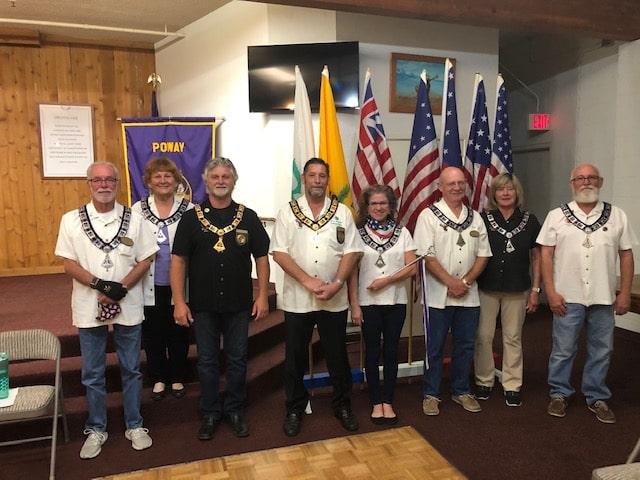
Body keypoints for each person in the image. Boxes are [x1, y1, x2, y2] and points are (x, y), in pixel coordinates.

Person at [55, 161, 159, 459]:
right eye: (97, 180)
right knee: (92, 371)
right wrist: (101, 284)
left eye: (109, 180)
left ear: (117, 183)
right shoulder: (71, 220)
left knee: (130, 367)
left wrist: (121, 287)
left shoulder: (135, 219)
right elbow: (68, 263)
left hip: (128, 300)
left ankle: (134, 425)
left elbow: (145, 259)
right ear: (89, 184)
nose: (103, 185)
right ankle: (96, 428)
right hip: (90, 301)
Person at [170, 157, 270, 440]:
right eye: (215, 176)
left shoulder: (248, 216)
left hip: (239, 303)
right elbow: (178, 261)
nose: (221, 181)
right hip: (203, 305)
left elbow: (262, 258)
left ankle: (236, 410)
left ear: (234, 181)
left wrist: (262, 295)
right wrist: (179, 300)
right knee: (207, 360)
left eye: (226, 176)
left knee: (238, 359)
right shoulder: (191, 218)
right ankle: (211, 413)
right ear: (206, 180)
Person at [537, 163, 636, 424]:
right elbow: (545, 254)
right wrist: (550, 292)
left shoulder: (617, 215)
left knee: (602, 350)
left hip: (604, 297)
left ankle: (596, 395)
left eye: (591, 177)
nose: (586, 182)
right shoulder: (556, 216)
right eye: (580, 178)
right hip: (567, 297)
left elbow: (626, 254)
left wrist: (624, 292)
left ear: (600, 182)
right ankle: (559, 393)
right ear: (572, 184)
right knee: (563, 349)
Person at [270, 157, 362, 437]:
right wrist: (307, 280)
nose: (318, 180)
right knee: (295, 357)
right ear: (304, 180)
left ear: (328, 179)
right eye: (312, 175)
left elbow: (352, 252)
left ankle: (342, 405)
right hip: (298, 299)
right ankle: (295, 408)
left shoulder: (343, 212)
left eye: (322, 175)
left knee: (337, 356)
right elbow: (280, 252)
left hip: (333, 298)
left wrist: (336, 283)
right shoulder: (288, 211)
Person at [413, 166, 491, 416]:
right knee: (434, 347)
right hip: (438, 296)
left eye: (460, 183)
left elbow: (483, 255)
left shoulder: (475, 217)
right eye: (451, 184)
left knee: (465, 346)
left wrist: (465, 282)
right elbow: (427, 255)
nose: (457, 187)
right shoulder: (428, 216)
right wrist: (451, 282)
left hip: (469, 295)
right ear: (440, 186)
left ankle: (460, 390)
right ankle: (431, 394)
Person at [347, 185, 417, 425]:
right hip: (368, 303)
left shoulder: (403, 232)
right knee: (373, 351)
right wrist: (354, 306)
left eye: (383, 203)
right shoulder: (356, 234)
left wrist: (387, 280)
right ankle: (376, 401)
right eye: (374, 204)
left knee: (391, 351)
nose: (378, 208)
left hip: (396, 301)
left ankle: (388, 400)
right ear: (366, 207)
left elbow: (412, 267)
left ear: (391, 206)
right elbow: (352, 273)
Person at [473, 173, 541, 407]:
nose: (505, 193)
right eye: (501, 189)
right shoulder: (482, 219)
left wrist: (536, 289)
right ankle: (484, 380)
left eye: (510, 189)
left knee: (513, 337)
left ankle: (512, 384)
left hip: (518, 288)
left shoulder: (530, 221)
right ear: (494, 193)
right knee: (483, 336)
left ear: (517, 192)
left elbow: (537, 256)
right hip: (486, 287)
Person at [132, 157, 194, 401]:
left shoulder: (189, 210)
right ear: (148, 181)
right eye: (157, 176)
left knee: (179, 332)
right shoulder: (137, 210)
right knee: (153, 333)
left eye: (168, 176)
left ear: (176, 180)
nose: (163, 180)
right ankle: (158, 378)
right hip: (148, 284)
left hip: (181, 284)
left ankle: (178, 376)